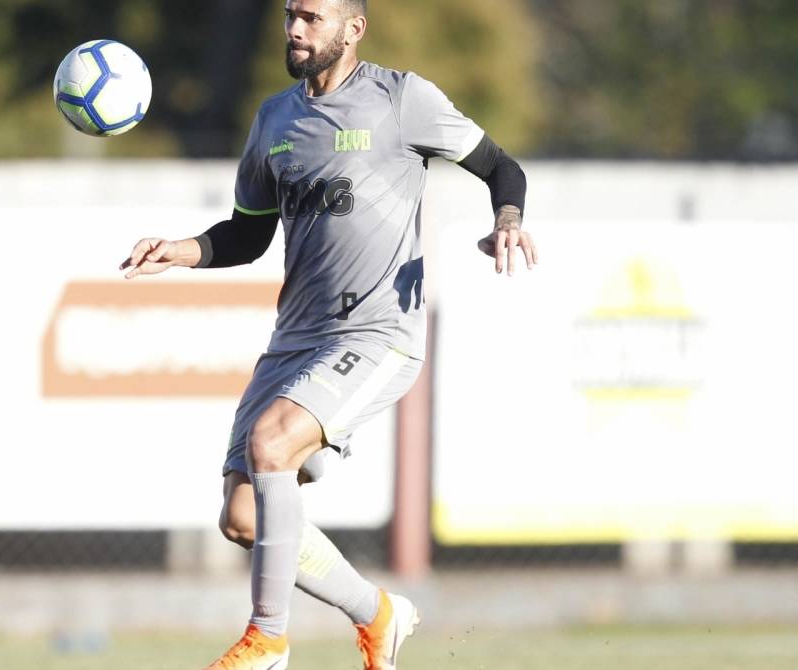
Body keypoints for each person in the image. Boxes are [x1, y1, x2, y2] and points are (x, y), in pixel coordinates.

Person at [119, 0, 536, 667]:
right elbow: (248, 234)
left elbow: (501, 167)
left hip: (377, 332)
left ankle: (267, 639)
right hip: (296, 339)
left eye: (312, 17)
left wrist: (508, 220)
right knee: (244, 518)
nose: (294, 29)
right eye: (290, 15)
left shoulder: (403, 100)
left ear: (353, 29)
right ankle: (379, 614)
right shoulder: (274, 120)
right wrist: (184, 249)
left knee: (271, 442)